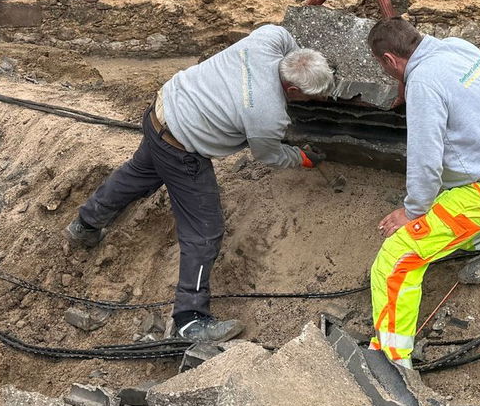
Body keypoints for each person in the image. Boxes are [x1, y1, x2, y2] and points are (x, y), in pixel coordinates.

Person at [65, 24, 334, 343]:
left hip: (162, 110)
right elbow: (269, 154)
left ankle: (86, 223)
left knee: (139, 173)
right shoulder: (267, 114)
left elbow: (290, 38)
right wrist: (300, 158)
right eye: (309, 96)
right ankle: (189, 319)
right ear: (292, 91)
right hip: (182, 147)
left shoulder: (270, 38)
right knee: (204, 231)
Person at [366, 16, 480, 367]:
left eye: (383, 69)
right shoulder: (459, 48)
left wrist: (412, 211)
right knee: (438, 219)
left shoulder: (424, 83)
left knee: (396, 259)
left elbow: (425, 160)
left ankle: (391, 358)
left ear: (389, 60)